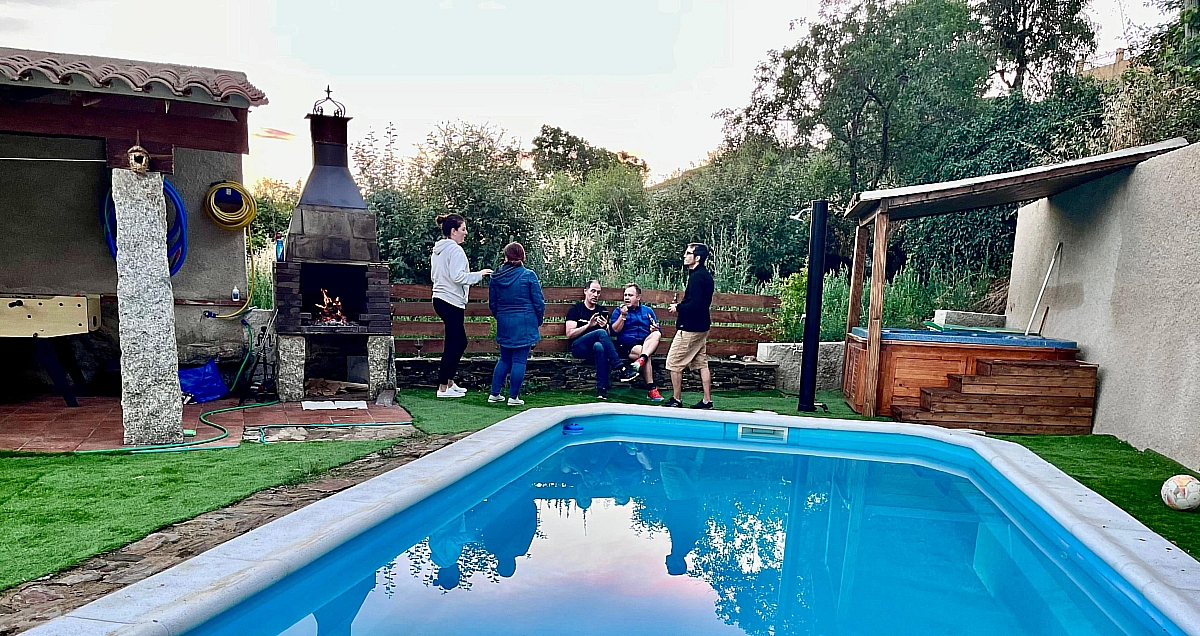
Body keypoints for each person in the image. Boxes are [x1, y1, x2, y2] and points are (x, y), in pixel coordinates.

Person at [430, 214, 492, 398]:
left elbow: (436, 276)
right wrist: (479, 275)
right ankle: (443, 388)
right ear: (453, 231)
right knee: (455, 342)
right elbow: (458, 277)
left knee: (458, 341)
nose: (466, 233)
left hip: (441, 299)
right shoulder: (455, 250)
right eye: (463, 229)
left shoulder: (438, 250)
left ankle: (449, 382)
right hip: (450, 301)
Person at [488, 242, 545, 406]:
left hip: (505, 321)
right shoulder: (528, 275)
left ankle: (494, 393)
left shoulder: (496, 277)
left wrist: (501, 317)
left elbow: (493, 304)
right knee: (520, 360)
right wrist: (538, 320)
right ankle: (513, 398)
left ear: (506, 256)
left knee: (504, 358)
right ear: (522, 256)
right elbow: (539, 302)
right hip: (525, 322)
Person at [565, 280, 636, 400]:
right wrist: (589, 325)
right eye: (593, 291)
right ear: (585, 291)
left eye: (598, 292)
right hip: (578, 347)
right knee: (600, 333)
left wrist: (606, 327)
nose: (595, 295)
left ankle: (601, 391)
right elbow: (569, 334)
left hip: (594, 348)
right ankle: (620, 367)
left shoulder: (601, 310)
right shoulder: (576, 309)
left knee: (600, 346)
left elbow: (606, 336)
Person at [664, 243, 715, 409]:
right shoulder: (704, 276)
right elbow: (699, 302)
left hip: (691, 328)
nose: (685, 256)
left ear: (697, 258)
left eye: (688, 253)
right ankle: (707, 400)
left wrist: (677, 307)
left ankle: (676, 400)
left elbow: (696, 305)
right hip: (702, 327)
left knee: (673, 362)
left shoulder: (697, 277)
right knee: (701, 363)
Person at [609, 283, 664, 401]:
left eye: (630, 295)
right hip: (627, 344)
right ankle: (651, 389)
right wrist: (623, 316)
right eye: (625, 295)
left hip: (645, 343)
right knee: (645, 354)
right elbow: (614, 331)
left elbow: (656, 330)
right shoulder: (619, 311)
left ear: (638, 297)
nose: (626, 298)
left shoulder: (648, 311)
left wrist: (653, 329)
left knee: (657, 334)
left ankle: (641, 359)